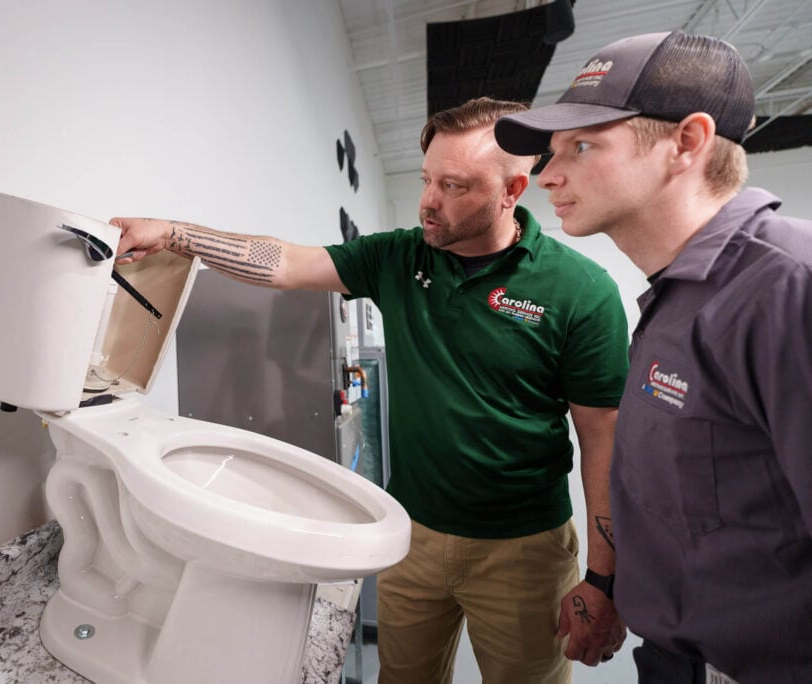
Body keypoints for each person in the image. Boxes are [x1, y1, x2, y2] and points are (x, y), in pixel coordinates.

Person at [112, 96, 629, 683]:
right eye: (427, 178)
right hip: (411, 533)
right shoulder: (398, 256)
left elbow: (604, 441)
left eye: (454, 186)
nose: (428, 201)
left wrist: (603, 579)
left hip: (524, 550)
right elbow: (285, 264)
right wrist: (178, 234)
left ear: (511, 190)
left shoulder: (581, 291)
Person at [495, 31, 812, 683]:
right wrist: (609, 587)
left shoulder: (786, 287)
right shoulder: (674, 300)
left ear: (687, 142)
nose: (548, 175)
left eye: (582, 146)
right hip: (674, 658)